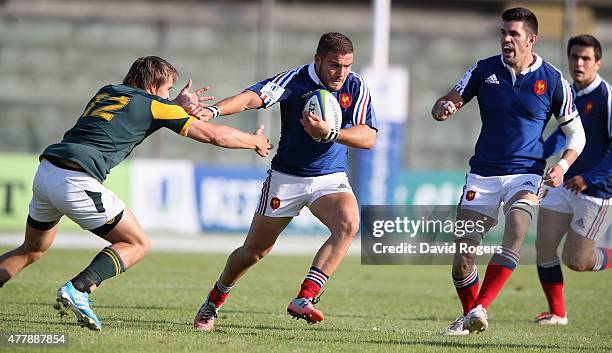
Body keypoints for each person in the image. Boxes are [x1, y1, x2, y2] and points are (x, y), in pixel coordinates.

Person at [0, 56, 272, 331]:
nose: (169, 95)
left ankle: (74, 288)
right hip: (76, 180)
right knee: (138, 244)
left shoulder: (107, 91)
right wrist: (254, 141)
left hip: (46, 172)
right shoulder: (155, 104)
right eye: (167, 89)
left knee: (32, 249)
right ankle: (78, 289)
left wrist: (174, 106)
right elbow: (213, 135)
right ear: (154, 86)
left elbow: (134, 113)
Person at [191, 32, 377, 331]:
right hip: (286, 179)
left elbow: (368, 137)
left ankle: (305, 297)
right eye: (333, 65)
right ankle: (213, 300)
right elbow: (252, 97)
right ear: (317, 60)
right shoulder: (294, 81)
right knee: (254, 252)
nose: (341, 73)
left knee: (349, 224)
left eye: (346, 65)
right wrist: (213, 110)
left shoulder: (355, 85)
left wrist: (329, 133)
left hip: (329, 178)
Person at [431, 8, 586, 335]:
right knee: (462, 258)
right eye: (503, 32)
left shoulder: (553, 79)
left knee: (516, 228)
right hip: (483, 175)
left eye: (514, 34)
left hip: (526, 174)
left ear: (531, 39)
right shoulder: (483, 69)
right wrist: (444, 108)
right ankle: (470, 313)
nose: (506, 39)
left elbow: (577, 134)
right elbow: (449, 99)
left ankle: (482, 307)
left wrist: (561, 166)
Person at [534, 34, 611, 326]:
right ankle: (557, 313)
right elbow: (561, 135)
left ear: (597, 63)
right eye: (574, 57)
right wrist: (535, 157)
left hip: (596, 190)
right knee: (543, 247)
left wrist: (588, 177)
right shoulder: (569, 93)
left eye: (586, 58)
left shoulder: (606, 96)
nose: (579, 63)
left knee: (577, 261)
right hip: (566, 184)